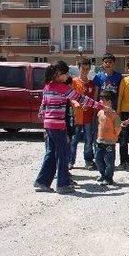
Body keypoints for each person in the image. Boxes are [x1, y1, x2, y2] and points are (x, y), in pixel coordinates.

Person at [34, 61, 105, 194]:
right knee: (63, 155)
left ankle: (42, 182)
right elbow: (81, 98)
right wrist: (99, 106)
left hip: (48, 125)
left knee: (51, 153)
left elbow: (43, 106)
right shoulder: (63, 88)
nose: (68, 75)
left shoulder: (47, 87)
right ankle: (63, 184)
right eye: (65, 73)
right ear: (58, 74)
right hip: (58, 126)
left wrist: (42, 116)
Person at [70, 58, 96, 169]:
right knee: (74, 140)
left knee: (88, 140)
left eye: (87, 68)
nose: (85, 70)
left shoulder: (91, 84)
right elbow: (70, 97)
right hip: (76, 116)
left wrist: (90, 107)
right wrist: (76, 104)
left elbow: (93, 100)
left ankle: (88, 161)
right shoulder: (74, 82)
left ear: (89, 69)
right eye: (83, 68)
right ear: (79, 68)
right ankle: (70, 161)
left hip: (89, 116)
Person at [95, 91, 122, 185]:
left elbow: (118, 127)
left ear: (109, 102)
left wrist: (114, 136)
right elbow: (99, 125)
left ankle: (108, 178)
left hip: (110, 142)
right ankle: (103, 175)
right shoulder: (100, 113)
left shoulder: (114, 115)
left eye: (102, 100)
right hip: (100, 141)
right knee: (98, 159)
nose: (100, 101)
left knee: (109, 161)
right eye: (100, 99)